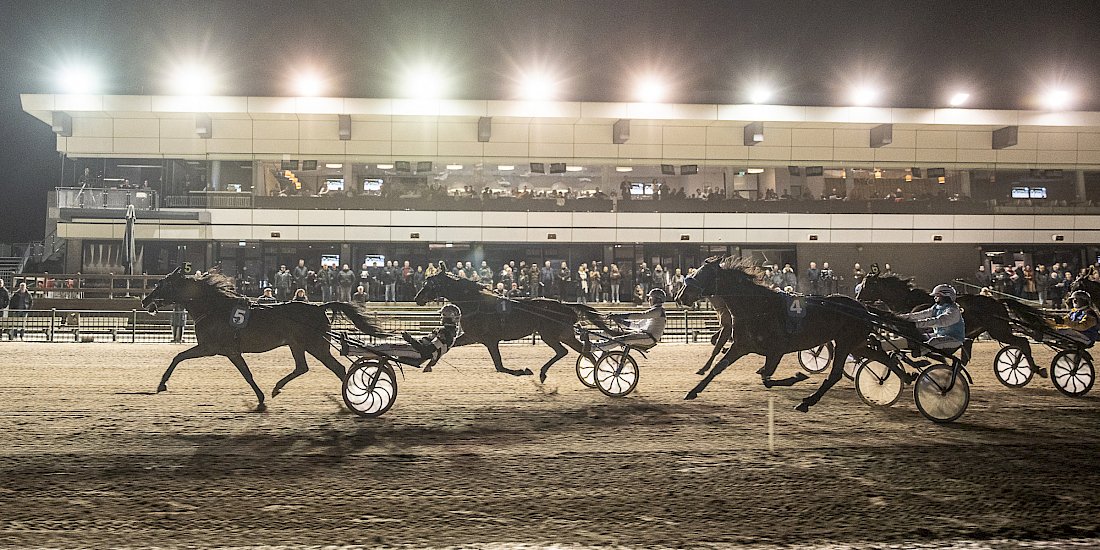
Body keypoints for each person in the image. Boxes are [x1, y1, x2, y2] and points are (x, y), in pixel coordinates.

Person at [896, 284, 966, 354]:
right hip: (939, 335)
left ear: (946, 296)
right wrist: (901, 317)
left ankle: (920, 352)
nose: (934, 298)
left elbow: (937, 321)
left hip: (954, 339)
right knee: (917, 338)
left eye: (937, 296)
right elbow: (921, 314)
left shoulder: (953, 310)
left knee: (934, 341)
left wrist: (916, 324)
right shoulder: (936, 307)